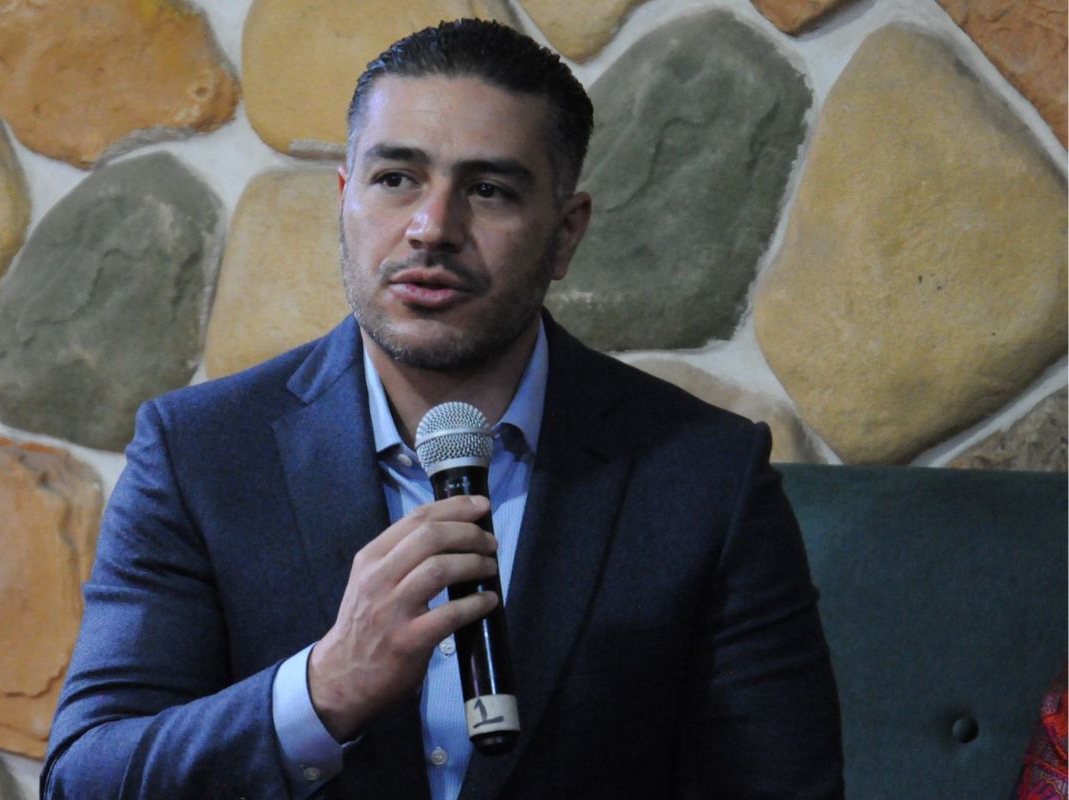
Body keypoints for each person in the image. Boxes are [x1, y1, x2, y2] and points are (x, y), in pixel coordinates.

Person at [41, 19, 843, 799]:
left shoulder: (705, 474)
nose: (432, 228)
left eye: (489, 190)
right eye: (397, 179)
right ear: (345, 198)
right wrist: (322, 690)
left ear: (566, 235)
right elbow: (85, 777)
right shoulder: (198, 453)